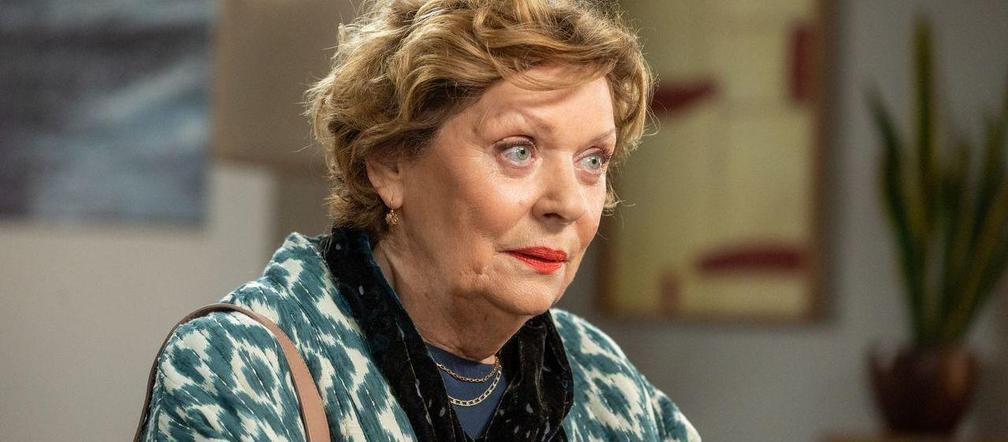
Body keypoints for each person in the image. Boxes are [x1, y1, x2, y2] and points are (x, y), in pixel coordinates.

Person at [136, 0, 700, 440]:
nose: (568, 203)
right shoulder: (241, 365)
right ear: (390, 163)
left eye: (592, 160)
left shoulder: (603, 380)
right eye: (518, 150)